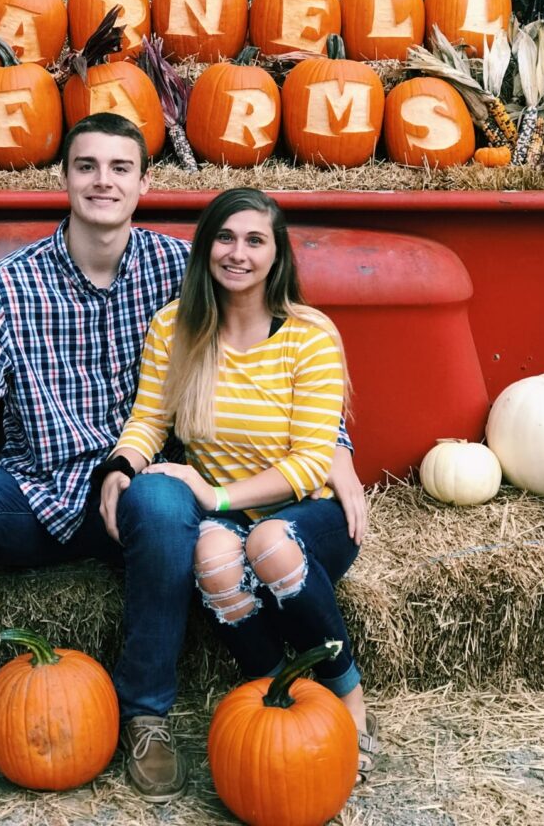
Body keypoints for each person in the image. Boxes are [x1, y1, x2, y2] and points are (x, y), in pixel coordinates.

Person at [0, 114, 365, 800]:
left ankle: (145, 712)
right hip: (41, 491)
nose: (103, 181)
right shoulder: (6, 289)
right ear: (63, 177)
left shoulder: (183, 270)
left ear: (144, 182)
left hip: (148, 507)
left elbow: (281, 349)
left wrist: (337, 452)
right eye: (86, 166)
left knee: (164, 498)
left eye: (120, 167)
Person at [104, 187, 376, 785]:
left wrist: (215, 497)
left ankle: (348, 698)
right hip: (229, 517)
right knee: (212, 556)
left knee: (270, 543)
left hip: (310, 512)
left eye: (255, 240)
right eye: (225, 238)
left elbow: (311, 462)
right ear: (206, 248)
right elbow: (149, 421)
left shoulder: (308, 335)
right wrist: (121, 467)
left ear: (277, 254)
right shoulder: (175, 328)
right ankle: (279, 697)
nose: (238, 253)